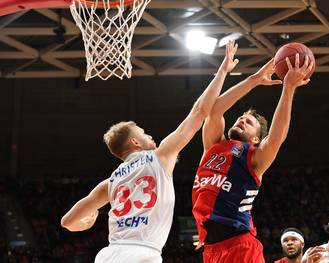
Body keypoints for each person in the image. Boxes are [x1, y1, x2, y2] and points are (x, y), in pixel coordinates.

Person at [60, 41, 240, 263]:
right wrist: (222, 71)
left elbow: (67, 222)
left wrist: (83, 224)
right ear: (135, 142)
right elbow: (199, 112)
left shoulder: (110, 183)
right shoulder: (159, 156)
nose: (150, 136)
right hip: (143, 253)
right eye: (144, 133)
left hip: (109, 254)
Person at [192, 53, 315, 263]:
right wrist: (255, 79)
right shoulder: (213, 146)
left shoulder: (254, 158)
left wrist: (288, 88)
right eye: (241, 118)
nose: (241, 120)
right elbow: (214, 110)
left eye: (248, 122)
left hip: (240, 246)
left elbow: (276, 137)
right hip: (211, 249)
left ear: (256, 138)